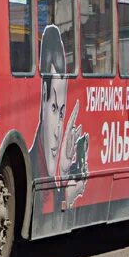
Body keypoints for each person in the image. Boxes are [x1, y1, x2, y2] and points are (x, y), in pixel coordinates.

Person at [32, 25, 87, 228]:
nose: (58, 131)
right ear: (42, 104)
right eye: (54, 108)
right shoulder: (32, 162)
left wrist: (66, 179)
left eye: (62, 113)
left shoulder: (54, 174)